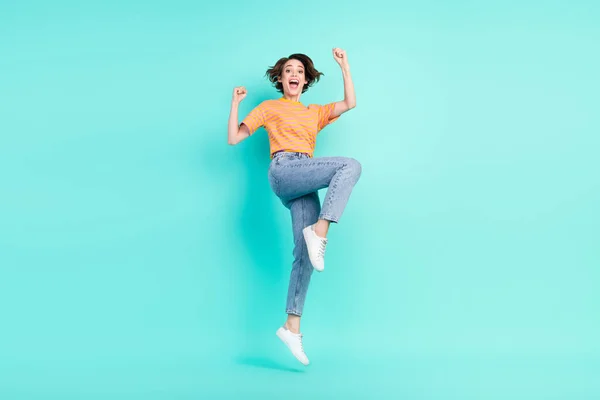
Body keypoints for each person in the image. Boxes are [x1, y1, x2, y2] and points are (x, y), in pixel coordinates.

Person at [227, 48, 362, 365]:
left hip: (305, 176)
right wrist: (235, 104)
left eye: (300, 70)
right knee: (350, 165)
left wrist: (345, 67)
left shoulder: (314, 112)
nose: (294, 74)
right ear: (280, 77)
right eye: (289, 69)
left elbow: (350, 103)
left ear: (306, 80)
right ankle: (321, 230)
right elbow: (234, 138)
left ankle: (291, 326)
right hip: (285, 170)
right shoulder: (269, 107)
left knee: (304, 254)